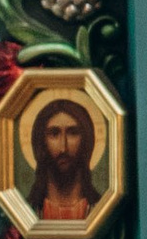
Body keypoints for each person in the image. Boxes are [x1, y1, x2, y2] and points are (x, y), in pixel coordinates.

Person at [29, 93, 100, 227]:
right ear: (41, 143)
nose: (63, 148)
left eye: (73, 133)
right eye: (54, 134)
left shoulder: (101, 210)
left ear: (86, 141)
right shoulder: (28, 213)